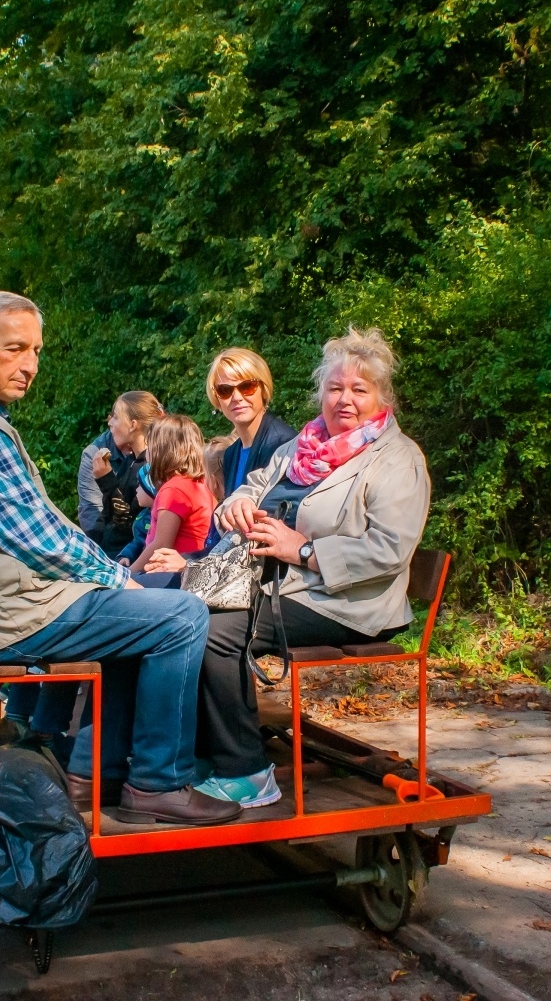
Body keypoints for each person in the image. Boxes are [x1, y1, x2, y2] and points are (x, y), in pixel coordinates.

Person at [0, 290, 239, 826]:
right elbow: (40, 539)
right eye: (14, 349)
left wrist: (117, 578)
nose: (29, 365)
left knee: (150, 610)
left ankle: (91, 770)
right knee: (182, 614)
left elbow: (42, 524)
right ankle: (158, 781)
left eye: (35, 351)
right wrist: (118, 580)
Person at [195, 329, 430, 809]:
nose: (345, 400)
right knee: (173, 610)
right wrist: (233, 509)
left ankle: (245, 771)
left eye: (359, 390)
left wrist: (302, 550)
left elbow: (388, 551)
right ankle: (195, 753)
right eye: (335, 388)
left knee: (214, 632)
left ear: (381, 399)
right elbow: (254, 484)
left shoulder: (398, 460)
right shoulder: (303, 447)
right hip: (279, 584)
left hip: (347, 600)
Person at [127, 414, 214, 577]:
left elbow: (161, 545)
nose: (146, 455)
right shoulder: (201, 482)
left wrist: (128, 574)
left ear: (161, 451)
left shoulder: (174, 490)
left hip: (172, 574)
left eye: (150, 447)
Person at [208, 348, 296, 506]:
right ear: (216, 398)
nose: (236, 397)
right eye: (225, 390)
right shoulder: (231, 453)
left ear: (263, 389)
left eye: (247, 387)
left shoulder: (283, 445)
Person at [90, 392, 163, 557]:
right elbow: (107, 515)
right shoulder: (130, 461)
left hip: (126, 557)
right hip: (108, 552)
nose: (110, 422)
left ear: (132, 425)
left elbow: (127, 524)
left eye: (115, 417)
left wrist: (106, 479)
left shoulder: (149, 468)